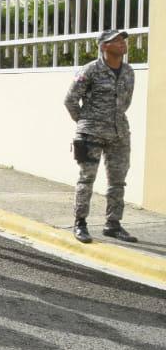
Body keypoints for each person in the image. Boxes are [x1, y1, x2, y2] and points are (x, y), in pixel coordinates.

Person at [64, 28, 137, 244]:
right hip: (91, 133)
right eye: (116, 41)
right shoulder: (90, 70)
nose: (122, 43)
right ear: (104, 46)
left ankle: (113, 224)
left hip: (119, 133)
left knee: (118, 181)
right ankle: (80, 223)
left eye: (123, 40)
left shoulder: (128, 71)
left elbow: (125, 102)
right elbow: (70, 100)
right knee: (87, 179)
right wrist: (85, 122)